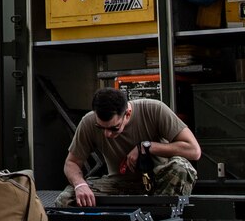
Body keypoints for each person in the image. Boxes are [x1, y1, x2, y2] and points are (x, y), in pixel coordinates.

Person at [56, 86, 201, 206]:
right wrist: (80, 185)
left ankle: (163, 218)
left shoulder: (154, 110)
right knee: (66, 200)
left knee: (182, 167)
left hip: (158, 182)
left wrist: (147, 147)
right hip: (119, 184)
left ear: (127, 114)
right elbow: (72, 163)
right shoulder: (87, 122)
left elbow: (194, 150)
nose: (107, 134)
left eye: (114, 128)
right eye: (101, 128)